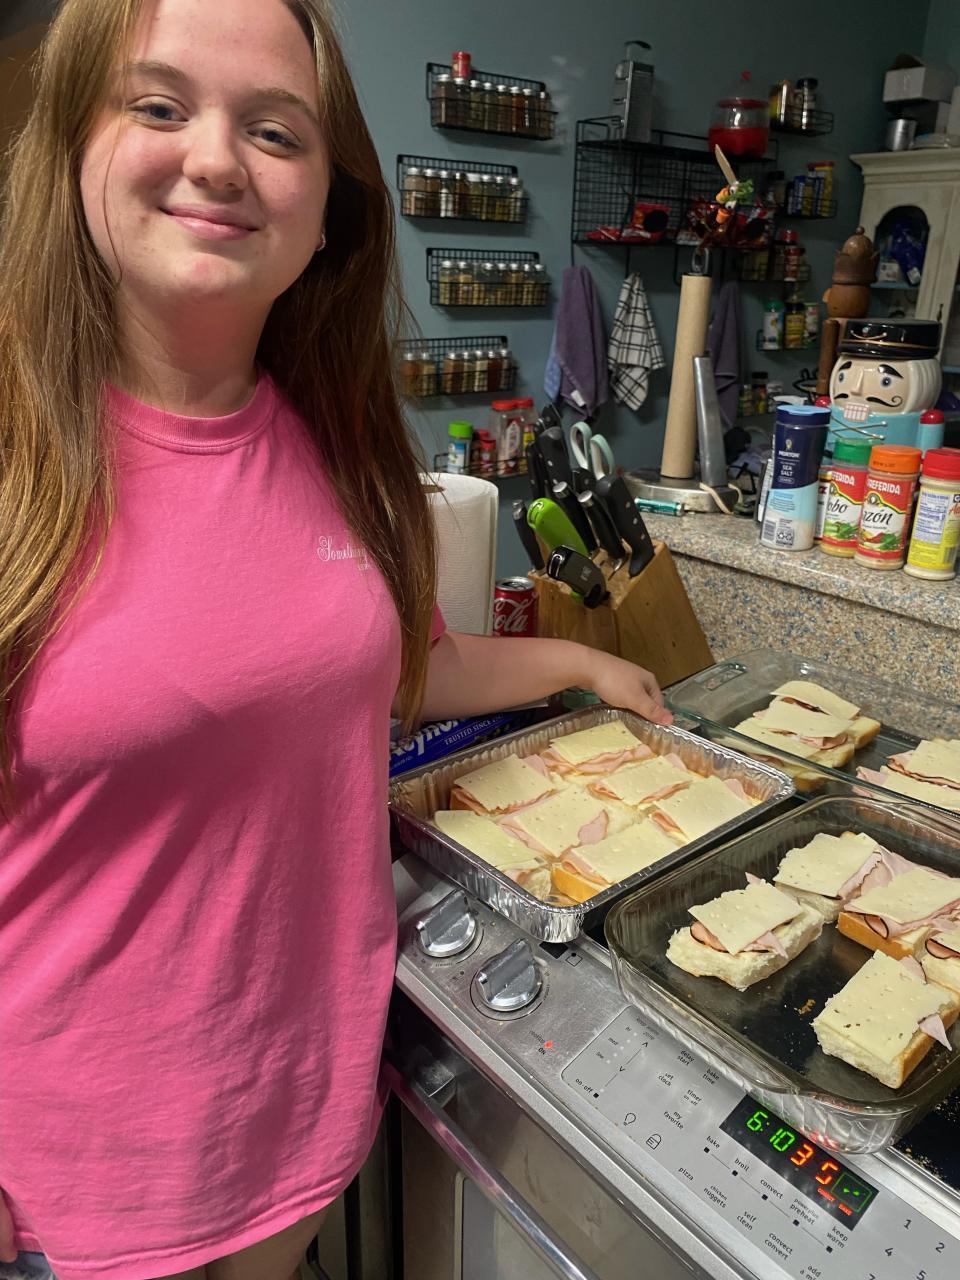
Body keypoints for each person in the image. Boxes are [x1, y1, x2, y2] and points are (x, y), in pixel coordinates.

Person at [0, 2, 670, 1278]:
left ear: (327, 212)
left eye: (274, 131)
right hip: (63, 1190)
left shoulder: (344, 450)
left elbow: (393, 671)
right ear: (73, 146)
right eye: (158, 106)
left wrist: (582, 662)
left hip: (295, 1134)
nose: (215, 158)